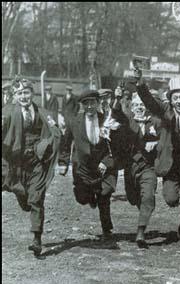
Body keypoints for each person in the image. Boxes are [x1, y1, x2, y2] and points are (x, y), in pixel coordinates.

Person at [133, 71, 180, 248]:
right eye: (176, 98)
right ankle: (175, 198)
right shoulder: (165, 113)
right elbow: (149, 100)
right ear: (171, 101)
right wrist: (140, 82)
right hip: (170, 165)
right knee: (171, 199)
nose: (179, 101)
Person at [2, 78, 61, 256]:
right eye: (19, 93)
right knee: (23, 195)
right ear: (14, 96)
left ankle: (37, 238)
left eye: (26, 93)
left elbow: (55, 130)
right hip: (17, 163)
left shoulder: (42, 112)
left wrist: (47, 144)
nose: (24, 96)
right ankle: (22, 195)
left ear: (32, 94)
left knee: (36, 198)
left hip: (37, 161)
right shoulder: (8, 112)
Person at [58, 90, 122, 241]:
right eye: (86, 104)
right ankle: (89, 197)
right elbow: (66, 143)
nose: (89, 107)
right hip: (83, 168)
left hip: (102, 166)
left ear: (98, 103)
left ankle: (107, 230)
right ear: (82, 105)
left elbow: (116, 147)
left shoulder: (106, 121)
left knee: (104, 196)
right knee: (82, 198)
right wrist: (63, 162)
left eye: (92, 103)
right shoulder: (75, 121)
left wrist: (106, 162)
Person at [116, 88, 161, 247]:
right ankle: (145, 208)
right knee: (133, 198)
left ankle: (141, 232)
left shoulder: (155, 121)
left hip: (149, 167)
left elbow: (167, 140)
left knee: (148, 196)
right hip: (131, 166)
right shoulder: (128, 120)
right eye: (136, 105)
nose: (140, 107)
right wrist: (118, 99)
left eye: (142, 104)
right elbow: (116, 114)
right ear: (132, 107)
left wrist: (155, 143)